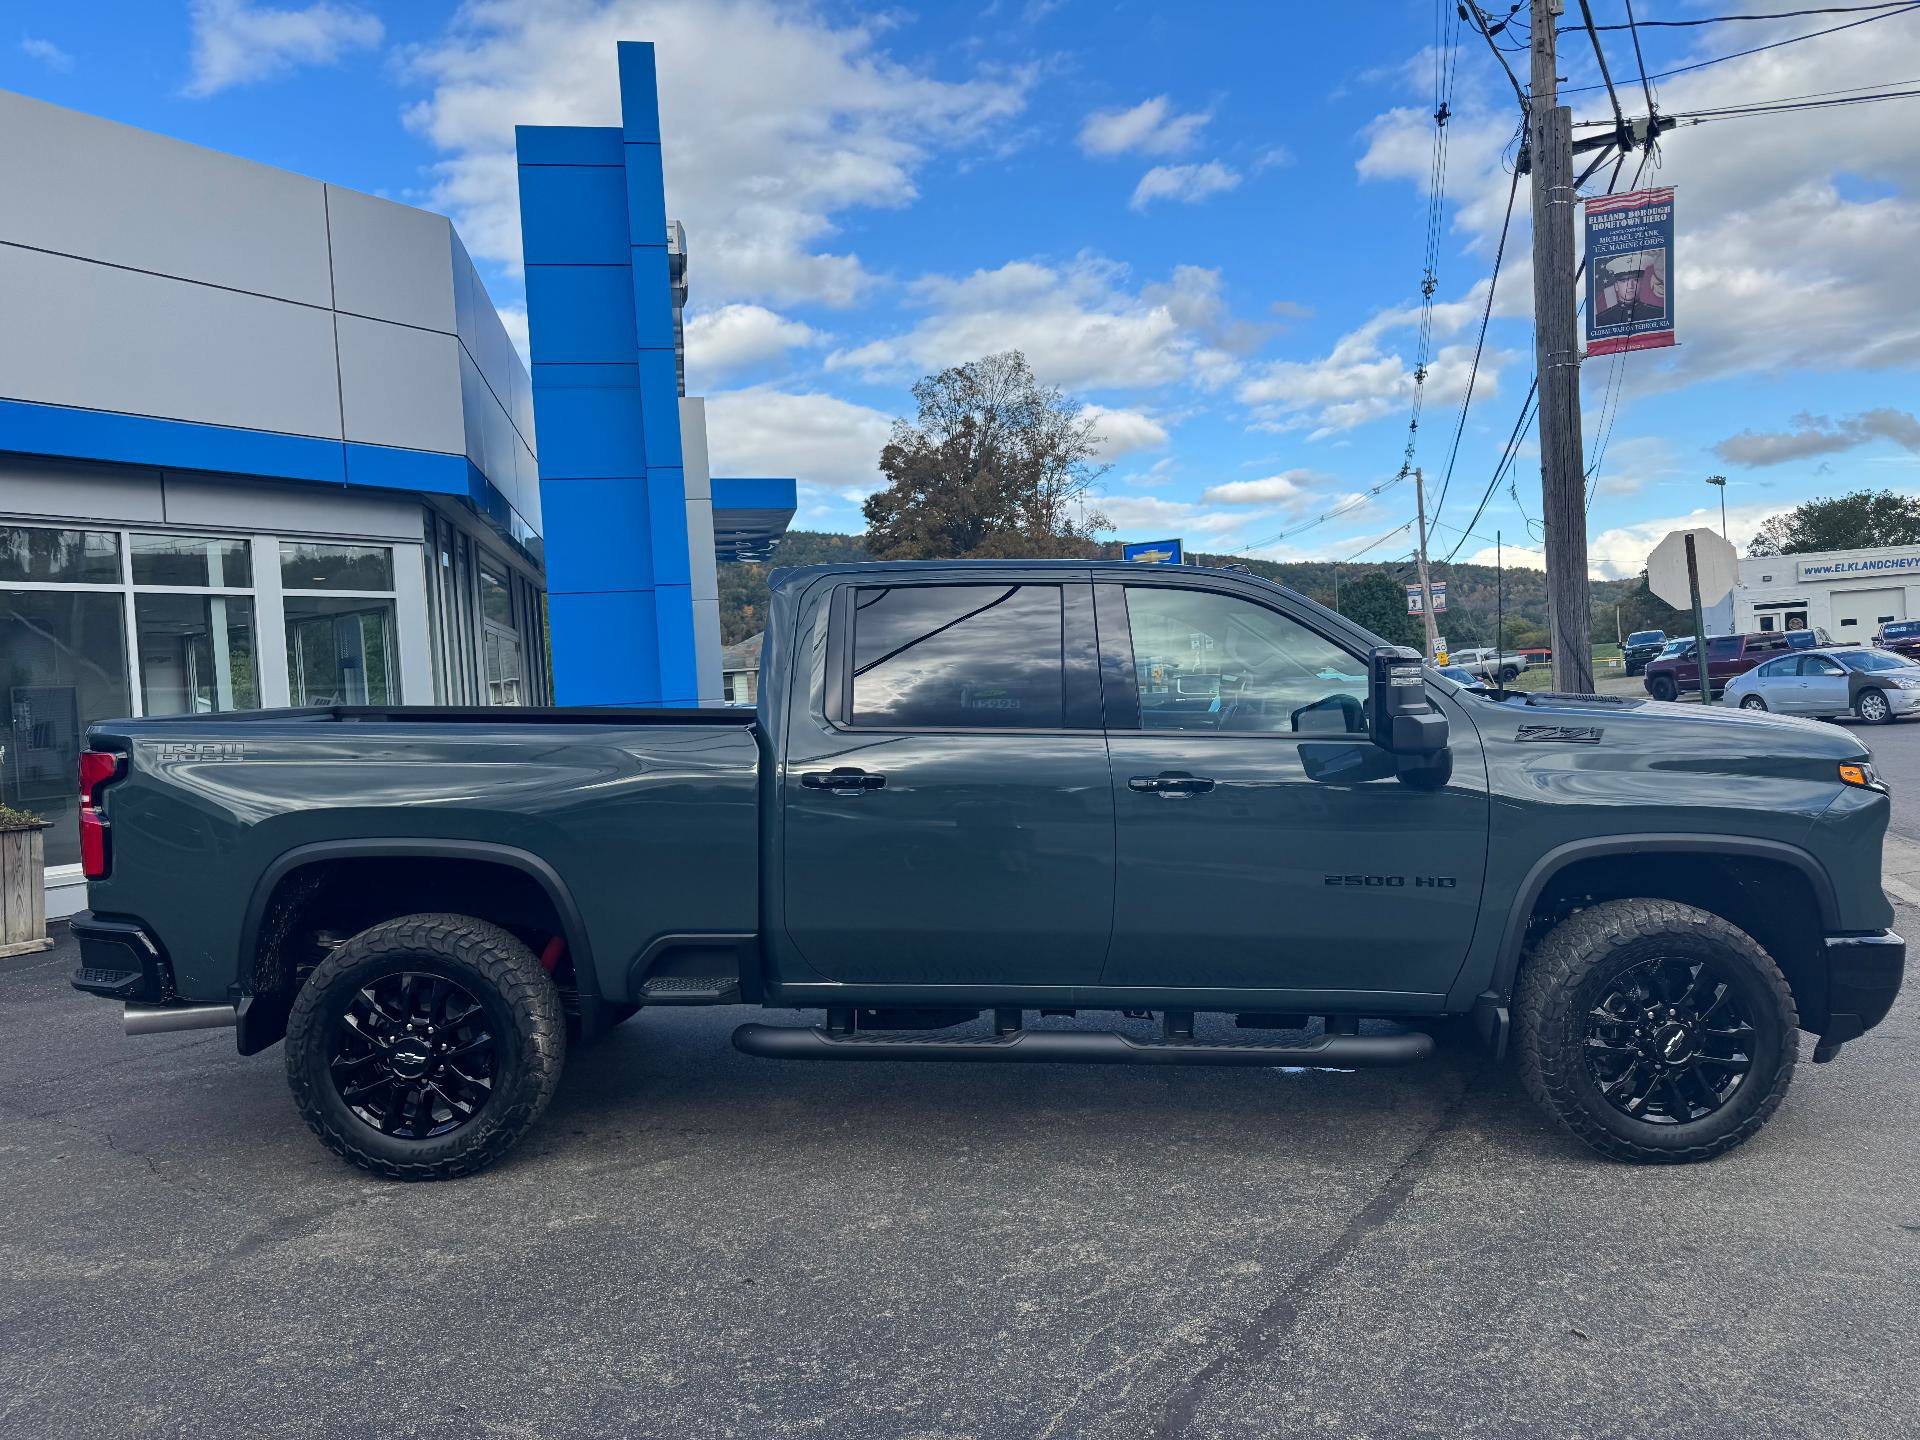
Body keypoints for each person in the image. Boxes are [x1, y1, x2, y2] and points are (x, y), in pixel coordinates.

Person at [1595, 253, 1665, 328]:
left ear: (1641, 283)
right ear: (1616, 286)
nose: (1630, 286)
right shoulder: (1601, 320)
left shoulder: (1658, 314)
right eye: (1624, 281)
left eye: (1635, 280)